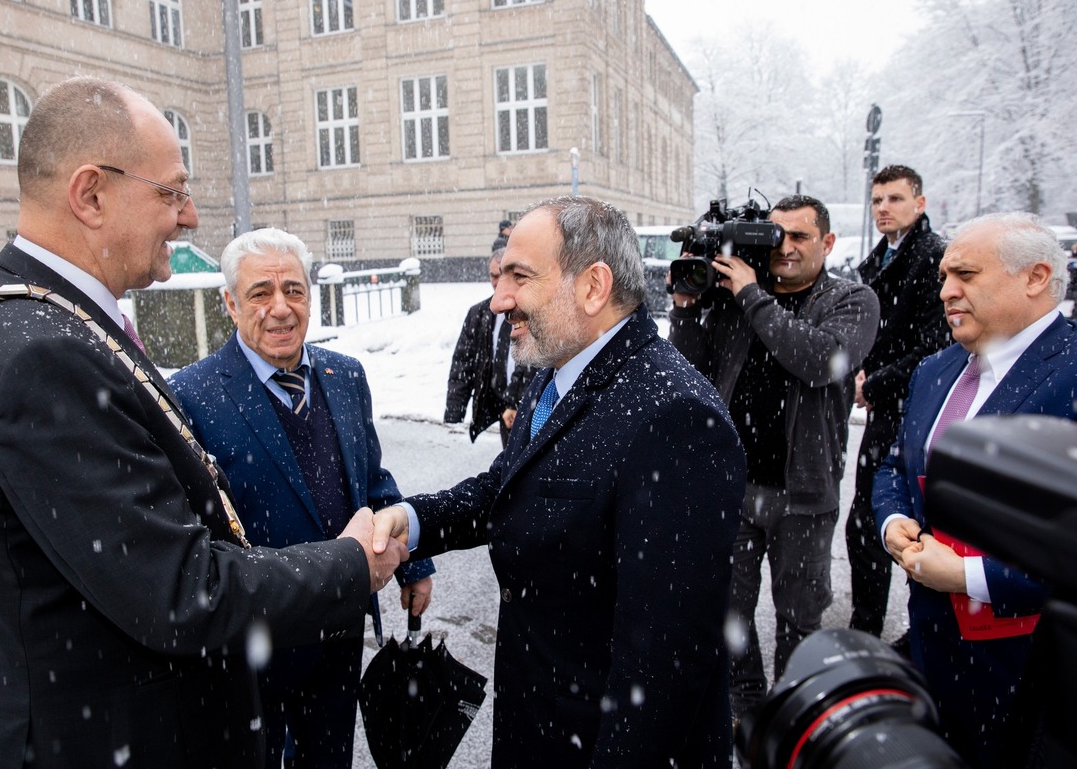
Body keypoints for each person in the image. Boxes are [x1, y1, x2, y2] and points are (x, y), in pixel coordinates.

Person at [0, 76, 406, 769]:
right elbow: (181, 592)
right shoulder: (42, 354)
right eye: (171, 192)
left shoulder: (27, 327)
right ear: (90, 195)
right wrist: (351, 563)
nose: (190, 216)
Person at [373, 196, 745, 767]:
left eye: (519, 277)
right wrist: (415, 518)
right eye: (500, 277)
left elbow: (663, 666)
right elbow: (513, 485)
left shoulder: (674, 416)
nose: (499, 301)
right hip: (540, 726)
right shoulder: (559, 368)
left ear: (594, 286)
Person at [169, 228, 436, 769]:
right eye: (260, 293)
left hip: (338, 624)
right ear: (230, 303)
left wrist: (414, 566)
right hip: (253, 632)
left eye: (293, 290)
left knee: (329, 756)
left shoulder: (345, 376)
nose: (280, 309)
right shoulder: (192, 395)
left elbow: (370, 478)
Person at [872, 211, 1076, 768]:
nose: (945, 292)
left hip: (1033, 676)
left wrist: (967, 576)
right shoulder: (934, 370)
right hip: (936, 655)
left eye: (964, 274)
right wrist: (893, 525)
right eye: (942, 276)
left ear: (1035, 277)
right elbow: (892, 465)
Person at [667, 194, 879, 721]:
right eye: (776, 235)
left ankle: (795, 713)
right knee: (729, 614)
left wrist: (753, 295)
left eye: (801, 237)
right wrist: (688, 310)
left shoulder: (851, 300)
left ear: (827, 242)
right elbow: (690, 370)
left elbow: (820, 361)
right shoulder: (736, 297)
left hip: (803, 494)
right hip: (733, 490)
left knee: (799, 620)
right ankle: (747, 711)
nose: (785, 247)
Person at [848, 165, 951, 638]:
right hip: (887, 409)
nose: (883, 208)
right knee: (867, 525)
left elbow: (932, 346)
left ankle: (901, 632)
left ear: (919, 203)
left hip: (916, 411)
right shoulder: (880, 259)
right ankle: (867, 625)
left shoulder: (932, 259)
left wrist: (876, 383)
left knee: (911, 525)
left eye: (894, 198)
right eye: (877, 200)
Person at [444, 247, 535, 446]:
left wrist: (519, 401)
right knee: (510, 466)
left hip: (530, 405)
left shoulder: (534, 310)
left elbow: (536, 362)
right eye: (493, 275)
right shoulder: (480, 314)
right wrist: (455, 408)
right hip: (501, 405)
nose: (498, 282)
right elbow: (463, 362)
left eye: (503, 275)